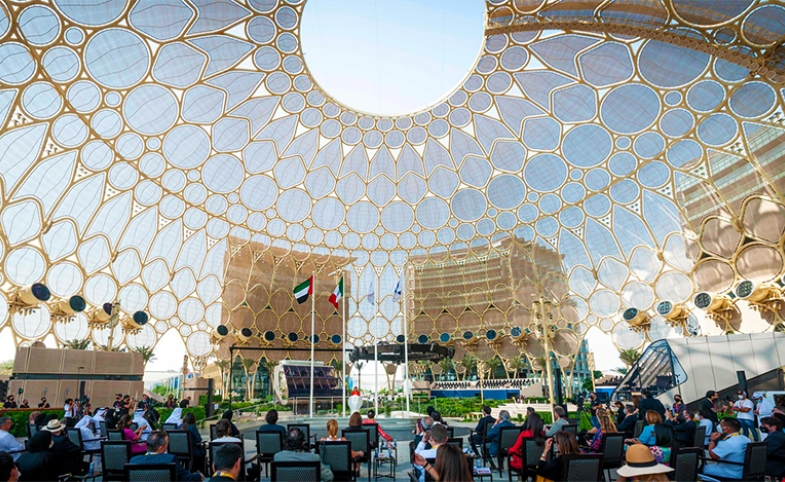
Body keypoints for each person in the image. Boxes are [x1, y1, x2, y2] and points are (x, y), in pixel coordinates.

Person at [129, 430, 203, 481]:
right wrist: (199, 476)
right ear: (161, 448)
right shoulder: (170, 459)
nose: (167, 447)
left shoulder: (133, 460)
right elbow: (186, 478)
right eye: (167, 445)